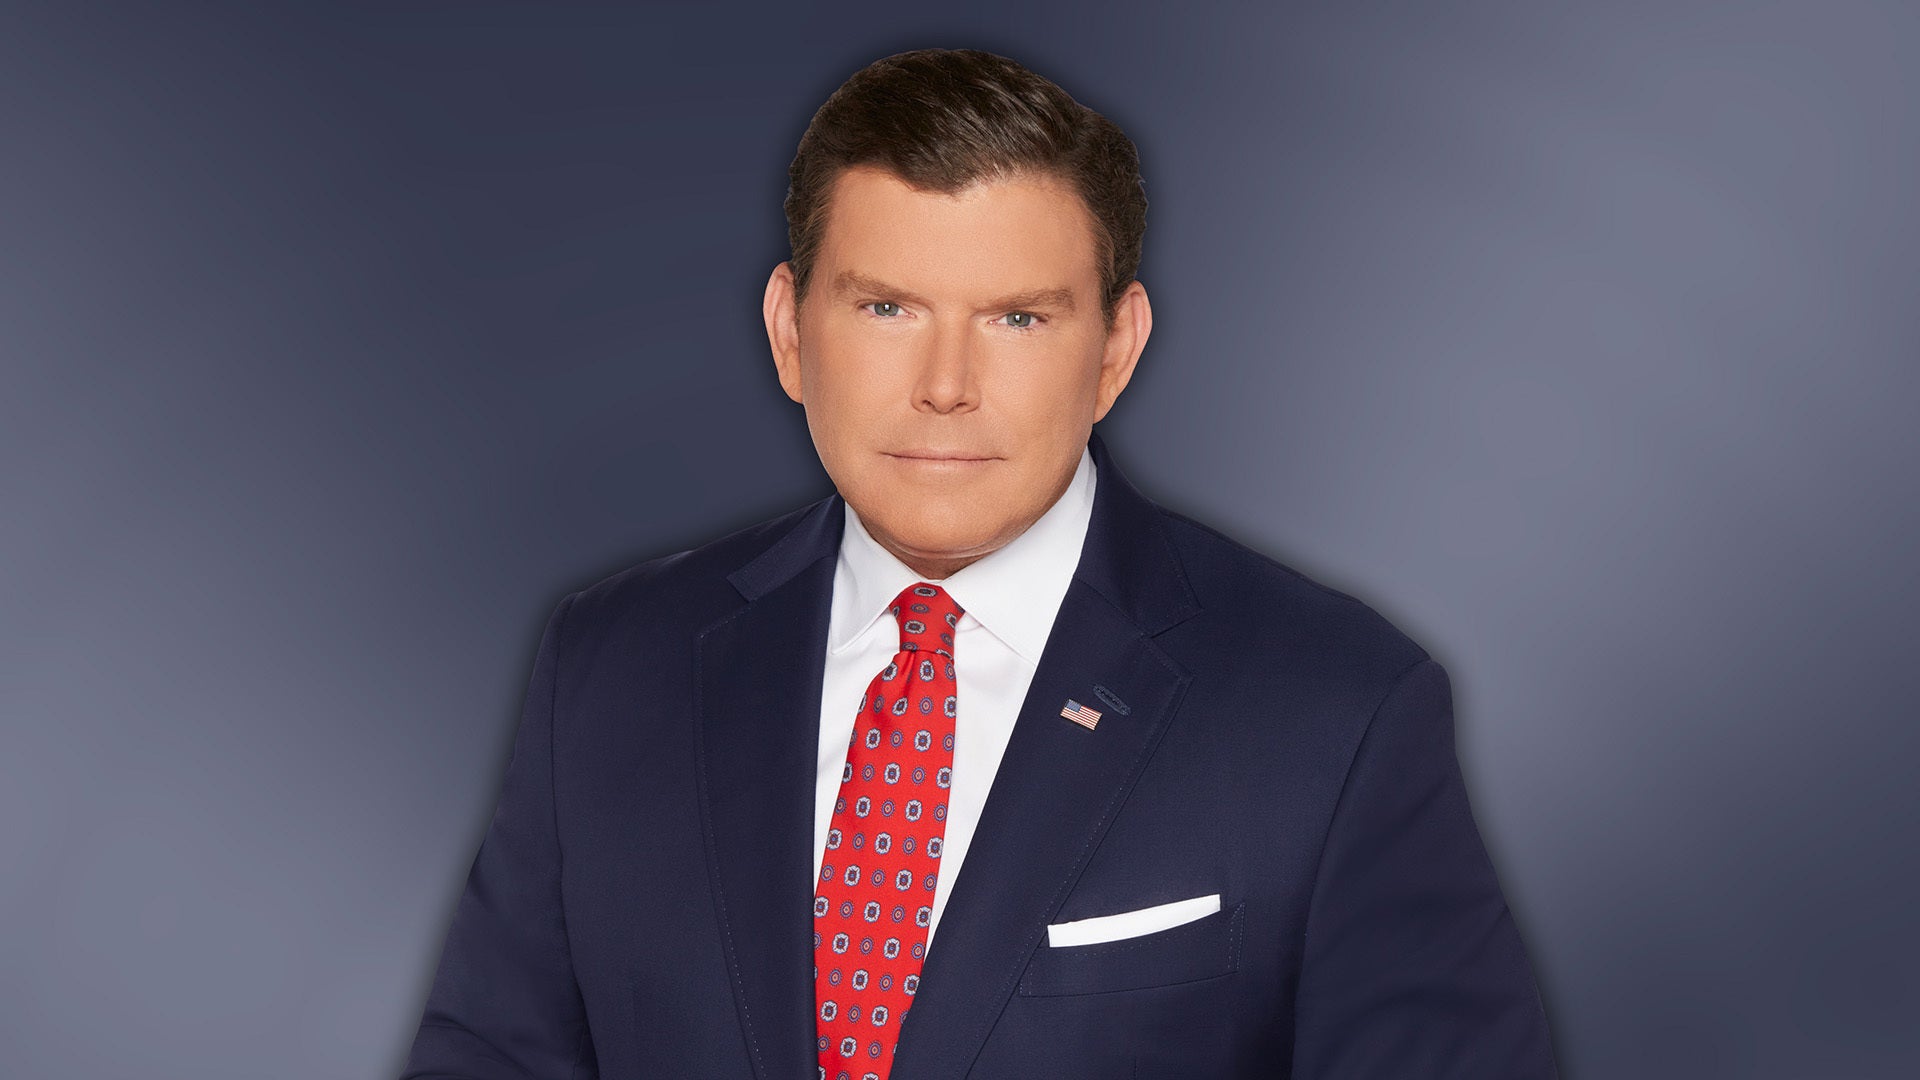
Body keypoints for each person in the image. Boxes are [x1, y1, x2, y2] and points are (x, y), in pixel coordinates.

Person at [402, 47, 1557, 1080]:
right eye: (888, 308)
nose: (946, 385)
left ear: (1116, 350)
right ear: (791, 332)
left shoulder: (1337, 712)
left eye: (1017, 319)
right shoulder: (609, 668)